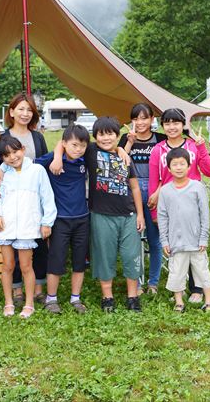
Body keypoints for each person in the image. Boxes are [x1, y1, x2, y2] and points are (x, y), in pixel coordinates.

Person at [51, 117, 146, 312]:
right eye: (101, 134)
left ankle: (132, 296)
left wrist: (140, 214)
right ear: (95, 137)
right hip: (101, 214)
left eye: (110, 133)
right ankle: (107, 296)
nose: (106, 138)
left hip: (128, 214)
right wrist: (57, 157)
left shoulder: (125, 157)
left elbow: (135, 188)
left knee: (131, 255)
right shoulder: (91, 152)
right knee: (104, 256)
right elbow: (63, 143)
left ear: (117, 136)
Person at [148, 107, 210, 303]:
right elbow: (154, 180)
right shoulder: (158, 150)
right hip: (169, 203)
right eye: (167, 123)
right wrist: (154, 207)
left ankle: (197, 288)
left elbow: (209, 171)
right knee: (176, 247)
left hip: (192, 202)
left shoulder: (193, 146)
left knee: (195, 246)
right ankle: (179, 289)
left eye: (175, 122)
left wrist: (202, 147)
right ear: (162, 125)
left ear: (183, 124)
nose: (171, 127)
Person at [0, 136, 57, 318]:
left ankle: (29, 303)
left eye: (15, 151)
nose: (12, 157)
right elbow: (2, 199)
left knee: (27, 266)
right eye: (6, 155)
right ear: (2, 158)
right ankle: (8, 302)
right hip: (6, 226)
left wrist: (46, 222)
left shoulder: (37, 170)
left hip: (27, 226)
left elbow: (47, 198)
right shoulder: (5, 174)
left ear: (23, 149)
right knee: (8, 265)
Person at [35, 125, 91, 314]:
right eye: (74, 145)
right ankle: (51, 299)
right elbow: (28, 166)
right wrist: (57, 156)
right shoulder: (51, 159)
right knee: (56, 259)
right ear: (64, 143)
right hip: (59, 219)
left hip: (82, 218)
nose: (78, 149)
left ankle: (76, 298)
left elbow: (105, 147)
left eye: (82, 145)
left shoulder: (85, 158)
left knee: (79, 261)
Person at [1, 93, 49, 307]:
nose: (25, 114)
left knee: (37, 244)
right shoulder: (3, 137)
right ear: (11, 112)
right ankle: (16, 289)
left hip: (33, 196)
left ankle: (38, 287)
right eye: (20, 109)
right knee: (13, 245)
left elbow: (44, 166)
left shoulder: (37, 137)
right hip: (12, 198)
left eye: (29, 110)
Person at [158, 148, 210, 313]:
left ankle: (209, 301)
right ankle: (179, 302)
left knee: (202, 270)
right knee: (176, 272)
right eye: (174, 164)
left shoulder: (197, 187)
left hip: (197, 241)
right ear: (168, 168)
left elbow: (205, 214)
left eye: (182, 163)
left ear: (189, 166)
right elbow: (162, 217)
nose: (178, 167)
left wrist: (203, 237)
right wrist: (165, 241)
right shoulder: (166, 191)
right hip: (176, 243)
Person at [118, 103, 167, 295]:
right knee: (133, 240)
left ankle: (153, 282)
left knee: (155, 240)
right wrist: (129, 142)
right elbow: (119, 163)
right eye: (136, 118)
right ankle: (136, 283)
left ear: (152, 119)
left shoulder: (161, 139)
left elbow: (169, 167)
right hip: (132, 191)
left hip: (157, 190)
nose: (140, 122)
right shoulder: (124, 139)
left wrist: (159, 190)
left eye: (144, 118)